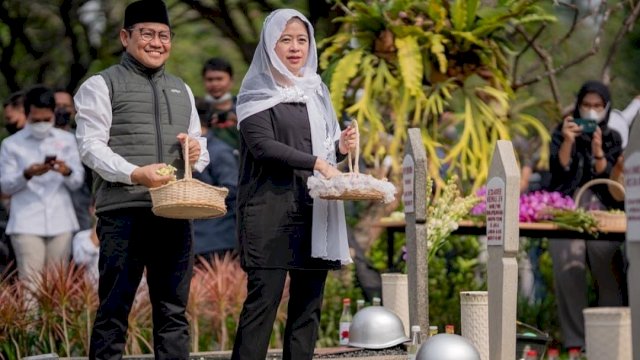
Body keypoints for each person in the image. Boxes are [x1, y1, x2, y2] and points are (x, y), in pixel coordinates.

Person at [73, 1, 209, 358]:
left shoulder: (183, 89)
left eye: (163, 35)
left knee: (174, 312)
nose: (156, 42)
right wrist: (135, 173)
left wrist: (196, 153)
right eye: (146, 34)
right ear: (125, 37)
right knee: (114, 310)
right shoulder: (100, 85)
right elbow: (90, 147)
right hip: (123, 213)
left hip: (176, 213)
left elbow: (199, 146)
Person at [231, 9, 357, 360]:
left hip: (314, 213)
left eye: (302, 39)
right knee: (262, 309)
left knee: (307, 311)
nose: (295, 47)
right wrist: (318, 161)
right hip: (268, 215)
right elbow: (264, 147)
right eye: (285, 39)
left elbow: (322, 152)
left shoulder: (316, 91)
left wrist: (339, 148)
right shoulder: (256, 93)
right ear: (271, 46)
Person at [547, 80, 626, 352]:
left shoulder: (613, 137)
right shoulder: (561, 133)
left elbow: (612, 184)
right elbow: (558, 173)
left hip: (603, 213)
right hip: (567, 209)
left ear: (606, 108)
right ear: (578, 105)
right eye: (586, 105)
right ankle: (575, 342)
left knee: (608, 271)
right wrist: (568, 141)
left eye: (597, 106)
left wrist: (599, 152)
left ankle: (610, 340)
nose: (591, 111)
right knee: (569, 271)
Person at [0, 85, 84, 292]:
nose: (42, 125)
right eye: (36, 120)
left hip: (61, 219)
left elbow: (77, 182)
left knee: (57, 287)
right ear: (27, 114)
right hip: (26, 221)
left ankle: (56, 326)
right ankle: (30, 326)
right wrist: (27, 174)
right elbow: (5, 185)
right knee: (31, 286)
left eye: (46, 120)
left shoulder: (67, 140)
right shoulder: (12, 144)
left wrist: (66, 171)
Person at [192, 96, 239, 261]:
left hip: (216, 242)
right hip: (193, 240)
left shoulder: (219, 151)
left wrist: (194, 197)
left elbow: (231, 189)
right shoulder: (182, 150)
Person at [202, 57, 240, 150]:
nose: (214, 84)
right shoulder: (196, 110)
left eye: (219, 79)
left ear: (231, 81)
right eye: (210, 79)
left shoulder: (243, 107)